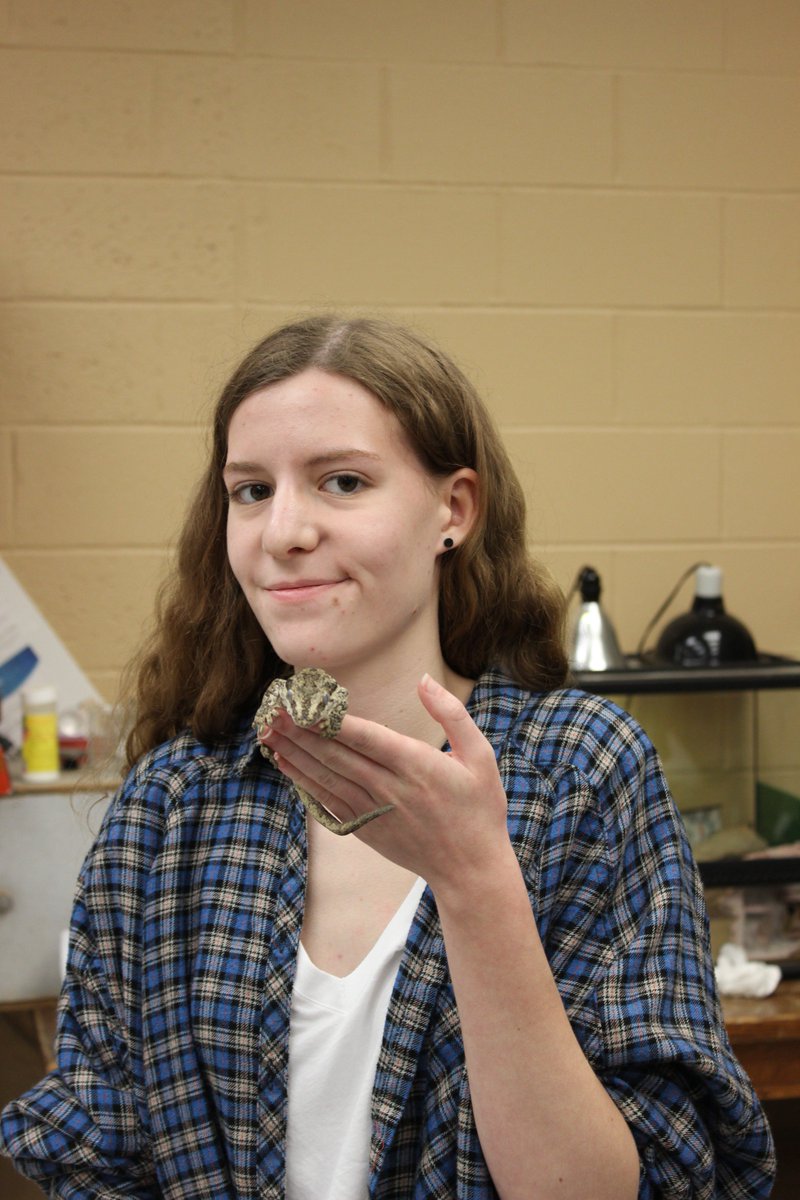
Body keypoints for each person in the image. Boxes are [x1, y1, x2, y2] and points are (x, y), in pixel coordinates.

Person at [1, 315, 775, 1199]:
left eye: (341, 481)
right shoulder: (175, 800)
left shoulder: (581, 773)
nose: (282, 531)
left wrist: (475, 877)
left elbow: (633, 1185)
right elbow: (93, 1154)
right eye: (250, 491)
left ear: (453, 510)